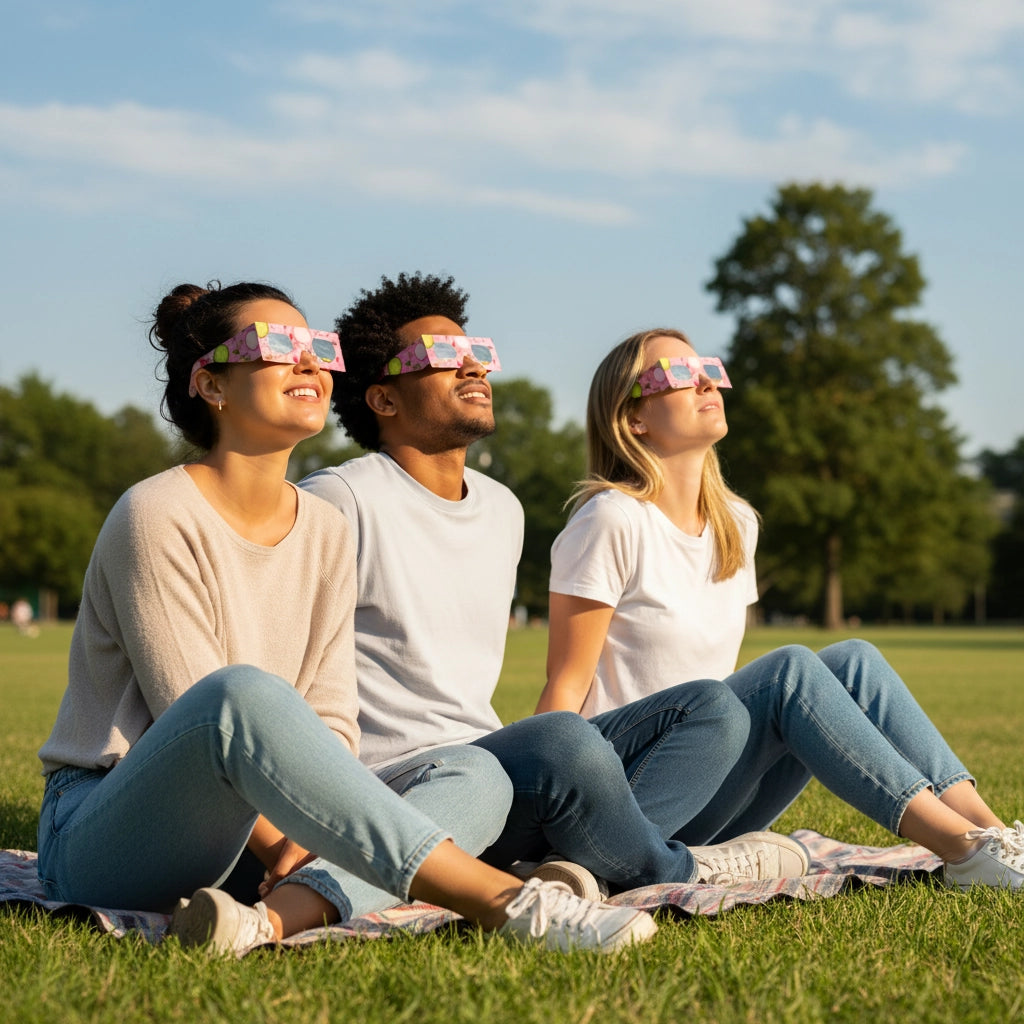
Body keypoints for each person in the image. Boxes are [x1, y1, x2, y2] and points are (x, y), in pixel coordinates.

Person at [34, 281, 658, 957]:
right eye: (277, 346)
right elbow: (197, 711)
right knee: (240, 693)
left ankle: (270, 922)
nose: (307, 363)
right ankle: (507, 903)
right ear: (211, 385)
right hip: (109, 828)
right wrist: (302, 839)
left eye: (316, 348)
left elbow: (332, 711)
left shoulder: (327, 527)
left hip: (246, 841)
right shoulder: (156, 512)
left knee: (478, 775)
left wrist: (310, 836)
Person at [300, 271, 810, 900]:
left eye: (477, 354)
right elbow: (287, 664)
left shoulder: (502, 509)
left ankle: (585, 864)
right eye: (443, 357)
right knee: (562, 737)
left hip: (489, 769)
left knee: (710, 706)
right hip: (396, 784)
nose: (473, 369)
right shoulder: (339, 499)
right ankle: (681, 870)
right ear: (382, 400)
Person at [537, 326, 1024, 891]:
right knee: (789, 671)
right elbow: (565, 690)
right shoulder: (610, 519)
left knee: (853, 660)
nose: (705, 384)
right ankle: (964, 852)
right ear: (633, 418)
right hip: (628, 800)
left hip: (714, 792)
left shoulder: (735, 523)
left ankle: (994, 835)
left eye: (709, 371)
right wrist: (550, 823)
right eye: (677, 376)